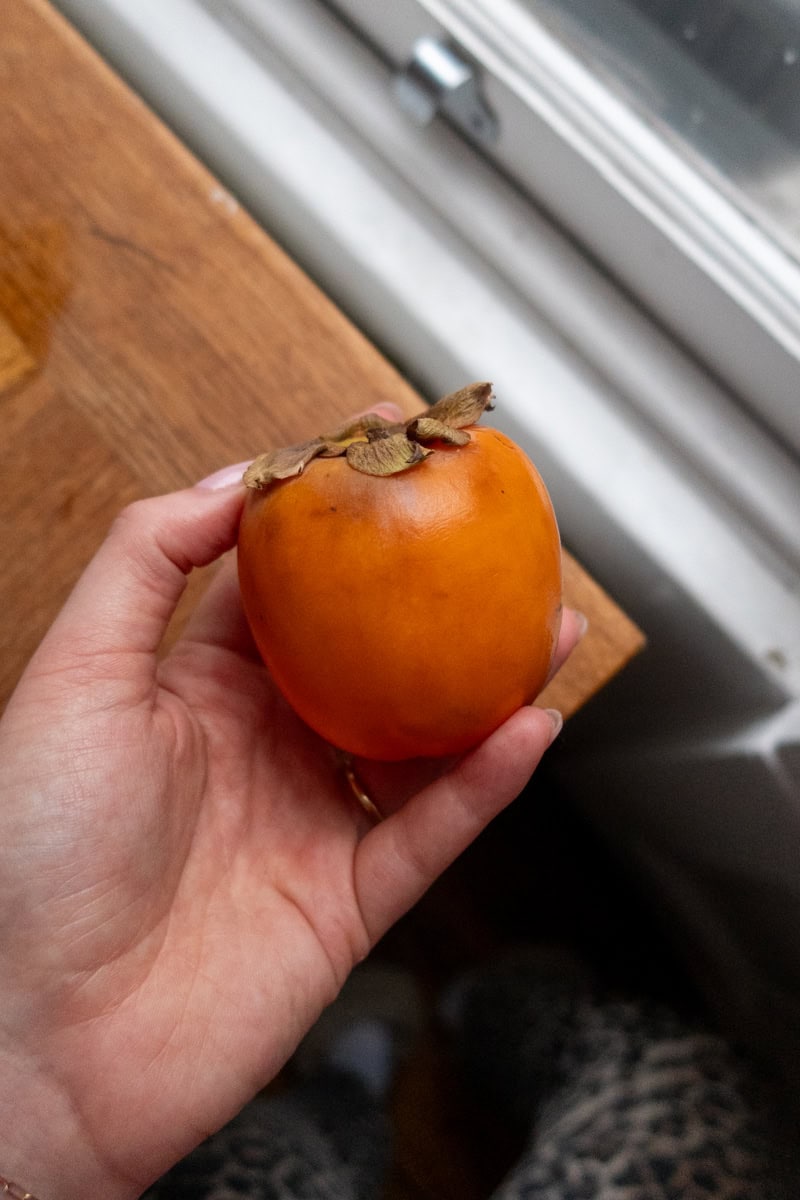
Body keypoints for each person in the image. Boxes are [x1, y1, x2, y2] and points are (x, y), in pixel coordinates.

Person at [0, 433, 584, 1200]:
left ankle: (361, 1083)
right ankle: (451, 1035)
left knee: (300, 1159)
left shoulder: (290, 517)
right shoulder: (491, 466)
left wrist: (32, 1086)